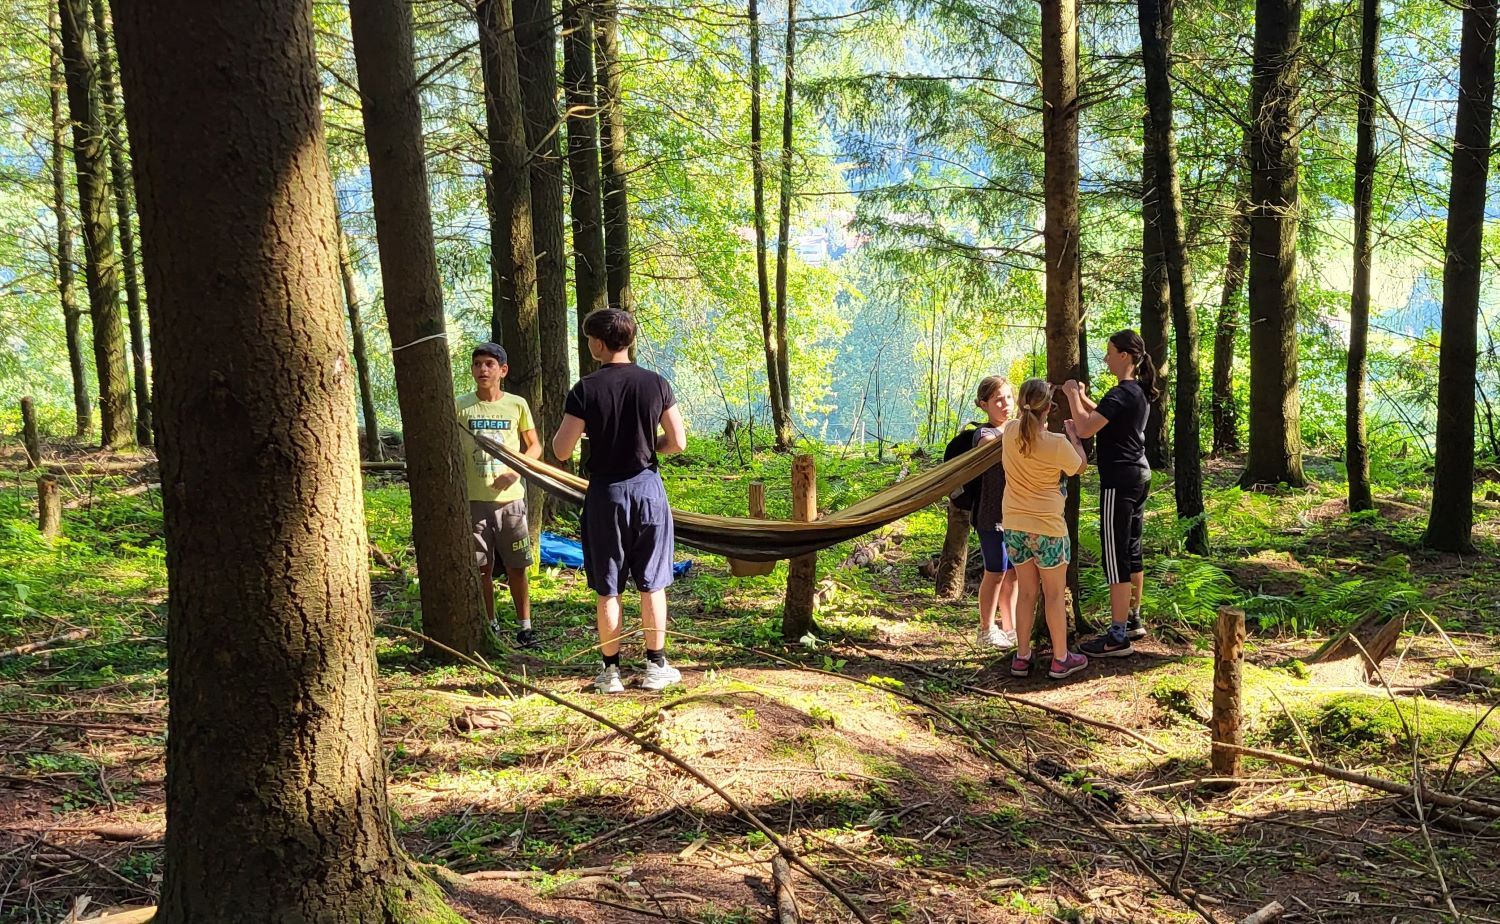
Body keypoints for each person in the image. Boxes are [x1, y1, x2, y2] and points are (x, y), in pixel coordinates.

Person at [552, 308, 687, 693]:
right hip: (648, 489)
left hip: (606, 494)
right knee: (653, 582)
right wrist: (649, 446)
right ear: (629, 341)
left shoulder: (585, 389)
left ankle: (610, 673)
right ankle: (656, 666)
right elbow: (678, 442)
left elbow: (561, 451)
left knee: (608, 586)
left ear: (597, 343)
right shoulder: (657, 384)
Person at [1061, 329, 1157, 658]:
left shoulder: (1123, 393)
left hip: (1118, 481)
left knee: (1114, 557)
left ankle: (1117, 637)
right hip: (1138, 476)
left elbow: (1087, 426)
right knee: (1131, 550)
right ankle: (1132, 619)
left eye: (1110, 352)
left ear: (1125, 356)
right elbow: (1101, 413)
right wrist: (1084, 399)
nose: (1105, 358)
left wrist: (1072, 393)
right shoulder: (1135, 392)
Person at [1001, 378, 1090, 680]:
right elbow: (1079, 467)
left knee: (1027, 592)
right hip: (1048, 528)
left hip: (1014, 526)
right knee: (1053, 595)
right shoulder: (1057, 444)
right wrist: (1075, 437)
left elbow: (1024, 426)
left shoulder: (1010, 432)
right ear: (1049, 408)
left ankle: (1022, 656)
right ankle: (1061, 659)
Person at [458, 342, 543, 648]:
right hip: (474, 499)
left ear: (502, 371)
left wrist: (516, 471)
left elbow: (534, 445)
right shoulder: (461, 406)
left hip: (511, 501)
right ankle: (490, 624)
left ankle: (525, 627)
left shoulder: (517, 404)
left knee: (517, 565)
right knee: (481, 566)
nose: (483, 369)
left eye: (490, 364)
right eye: (478, 364)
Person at [971, 376, 1019, 649]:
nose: (1005, 404)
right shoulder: (985, 433)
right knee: (996, 571)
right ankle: (986, 629)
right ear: (984, 405)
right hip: (991, 516)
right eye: (998, 400)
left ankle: (1010, 628)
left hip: (1016, 513)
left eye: (1008, 398)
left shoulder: (1015, 428)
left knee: (1013, 573)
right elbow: (988, 446)